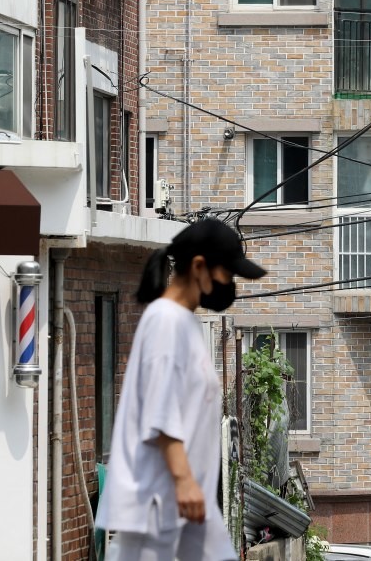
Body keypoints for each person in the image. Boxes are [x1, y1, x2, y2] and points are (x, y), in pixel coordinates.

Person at [96, 218, 267, 561]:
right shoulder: (165, 320)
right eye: (227, 274)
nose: (230, 284)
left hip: (186, 507)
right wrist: (184, 480)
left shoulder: (185, 322)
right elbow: (161, 411)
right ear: (200, 267)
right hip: (160, 504)